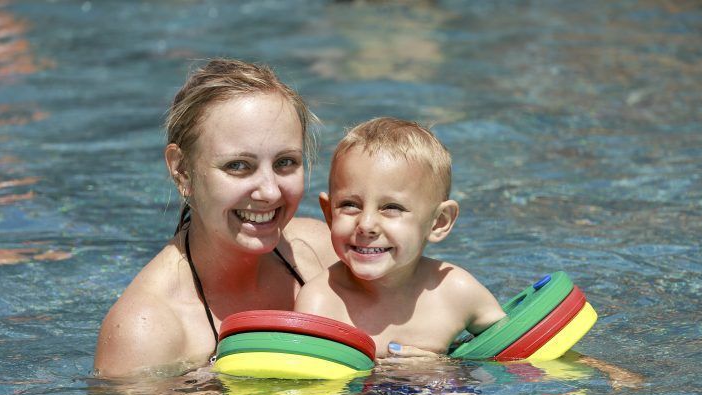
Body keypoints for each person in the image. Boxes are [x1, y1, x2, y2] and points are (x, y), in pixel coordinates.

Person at [94, 59, 337, 378]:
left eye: (285, 162)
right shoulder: (147, 332)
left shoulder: (323, 255)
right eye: (238, 166)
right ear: (181, 170)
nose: (269, 191)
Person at [294, 117, 506, 358]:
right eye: (350, 205)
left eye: (391, 207)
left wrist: (444, 373)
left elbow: (517, 360)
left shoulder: (456, 292)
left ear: (439, 222)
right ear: (329, 214)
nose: (366, 224)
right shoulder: (322, 303)